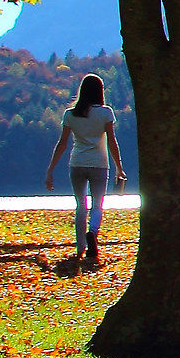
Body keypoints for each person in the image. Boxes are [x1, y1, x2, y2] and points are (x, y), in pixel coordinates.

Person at [44, 74, 125, 275]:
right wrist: (119, 167)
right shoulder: (106, 113)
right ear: (100, 92)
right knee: (98, 204)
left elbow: (62, 144)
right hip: (99, 164)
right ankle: (93, 233)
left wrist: (50, 170)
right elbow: (111, 142)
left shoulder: (70, 114)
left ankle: (80, 247)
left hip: (77, 163)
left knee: (81, 205)